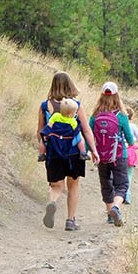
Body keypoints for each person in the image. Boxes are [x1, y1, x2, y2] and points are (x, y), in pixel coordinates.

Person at [37, 71, 99, 231]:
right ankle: (70, 220)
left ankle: (52, 202)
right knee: (73, 185)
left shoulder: (45, 106)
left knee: (56, 185)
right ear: (70, 85)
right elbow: (86, 130)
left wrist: (42, 150)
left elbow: (40, 131)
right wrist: (93, 150)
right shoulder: (76, 106)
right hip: (73, 152)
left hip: (53, 151)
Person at [89, 81, 134, 226]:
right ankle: (116, 207)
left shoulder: (95, 115)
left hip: (101, 156)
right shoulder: (121, 115)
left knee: (106, 184)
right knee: (121, 185)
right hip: (119, 155)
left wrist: (93, 151)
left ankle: (110, 214)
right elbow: (130, 139)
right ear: (117, 96)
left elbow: (88, 133)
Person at [38, 98, 90, 162]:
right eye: (75, 112)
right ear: (71, 114)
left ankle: (41, 154)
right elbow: (75, 131)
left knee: (43, 140)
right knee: (79, 138)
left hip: (55, 136)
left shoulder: (56, 115)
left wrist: (47, 133)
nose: (75, 114)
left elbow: (50, 124)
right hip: (68, 138)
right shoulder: (73, 121)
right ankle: (83, 152)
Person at [125, 107, 138, 205]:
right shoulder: (133, 126)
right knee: (129, 174)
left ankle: (118, 195)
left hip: (120, 151)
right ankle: (127, 195)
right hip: (131, 151)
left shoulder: (118, 124)